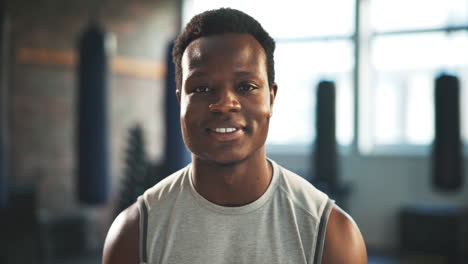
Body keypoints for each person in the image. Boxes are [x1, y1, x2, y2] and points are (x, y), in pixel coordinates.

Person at [103, 8, 367, 264]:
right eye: (202, 87)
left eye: (246, 87)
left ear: (271, 98)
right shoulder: (134, 233)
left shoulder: (331, 234)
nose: (225, 103)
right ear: (180, 101)